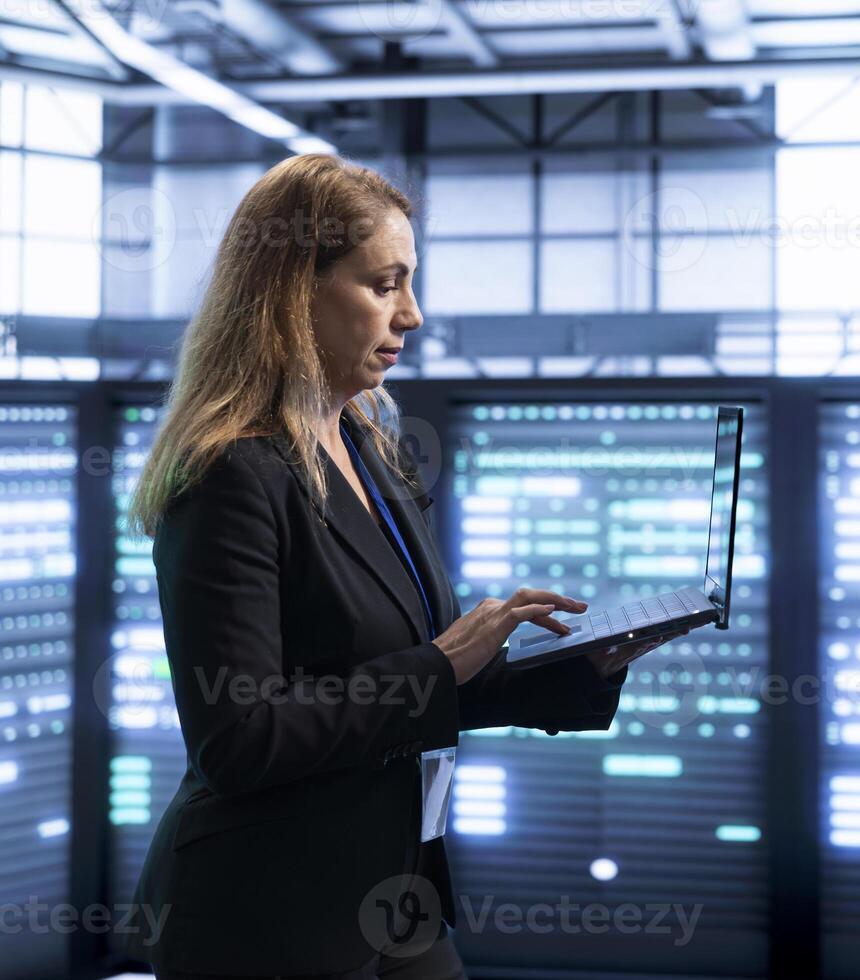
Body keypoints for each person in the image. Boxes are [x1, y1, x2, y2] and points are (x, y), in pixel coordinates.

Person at [120, 154, 683, 979]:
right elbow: (238, 740)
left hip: (395, 891)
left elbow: (415, 688)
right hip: (269, 913)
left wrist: (579, 666)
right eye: (384, 285)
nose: (411, 315)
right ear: (293, 292)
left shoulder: (369, 446)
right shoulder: (231, 474)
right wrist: (442, 662)